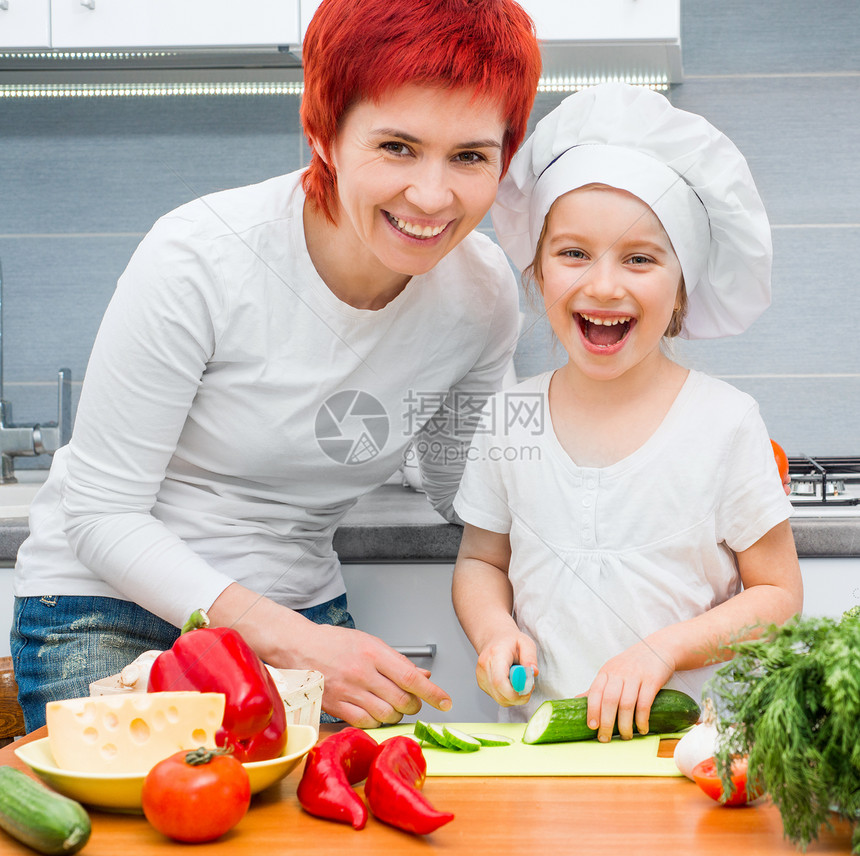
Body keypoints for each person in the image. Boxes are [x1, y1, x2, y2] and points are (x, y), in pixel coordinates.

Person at [10, 0, 542, 732]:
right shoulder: (198, 257)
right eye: (396, 147)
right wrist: (296, 642)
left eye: (470, 156)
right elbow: (101, 515)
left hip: (301, 607)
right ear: (323, 131)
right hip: (110, 608)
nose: (432, 195)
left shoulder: (481, 296)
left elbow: (466, 488)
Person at [451, 83, 803, 741]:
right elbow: (481, 562)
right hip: (538, 749)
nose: (604, 285)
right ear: (539, 272)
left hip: (690, 753)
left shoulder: (725, 422)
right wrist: (495, 630)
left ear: (680, 288)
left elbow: (778, 598)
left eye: (640, 258)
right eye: (574, 253)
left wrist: (662, 649)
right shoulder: (511, 417)